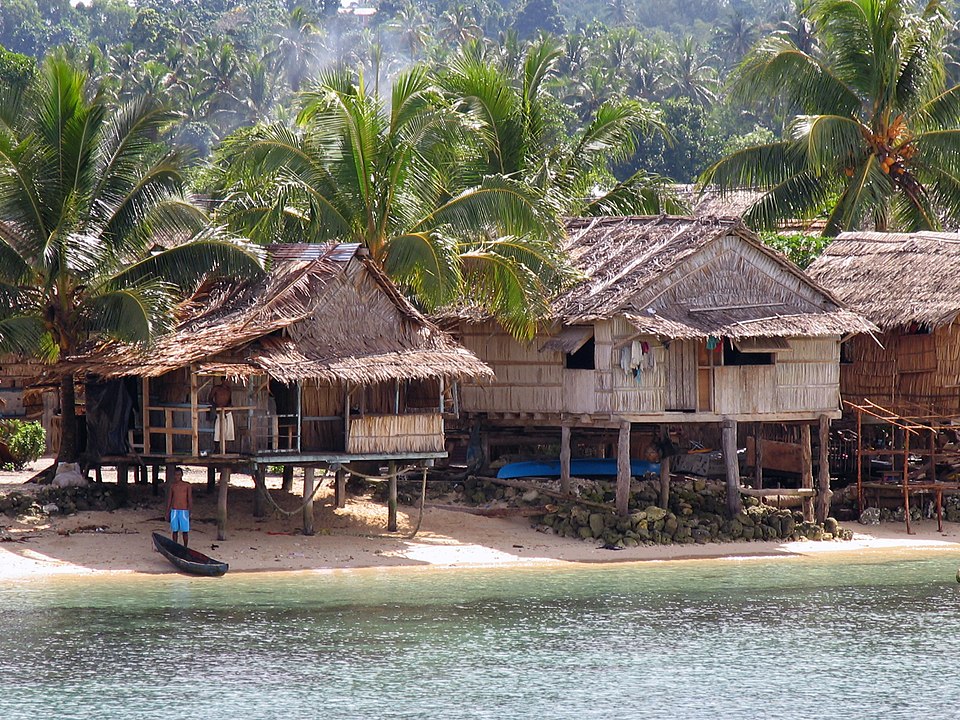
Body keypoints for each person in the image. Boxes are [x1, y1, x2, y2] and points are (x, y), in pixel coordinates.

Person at [166, 467, 193, 547]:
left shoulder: (187, 485)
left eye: (179, 475)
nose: (177, 477)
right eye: (176, 475)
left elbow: (189, 499)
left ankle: (185, 547)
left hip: (184, 511)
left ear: (182, 475)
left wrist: (190, 511)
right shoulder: (172, 486)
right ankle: (175, 546)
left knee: (185, 531)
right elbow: (170, 499)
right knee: (175, 531)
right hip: (174, 511)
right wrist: (167, 512)